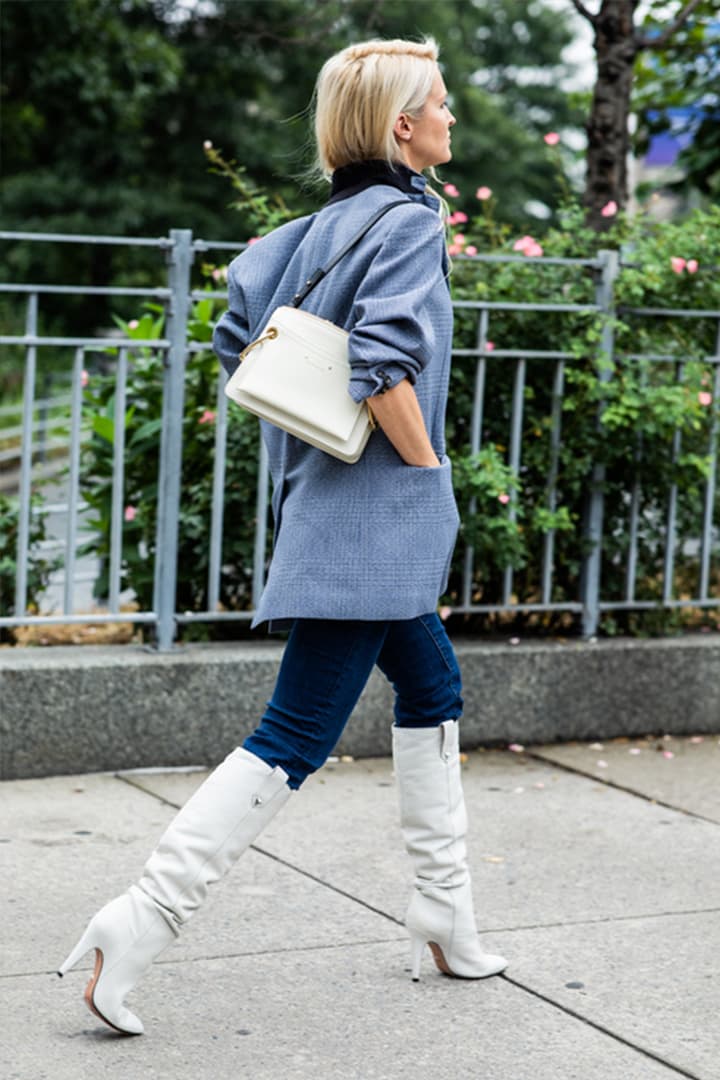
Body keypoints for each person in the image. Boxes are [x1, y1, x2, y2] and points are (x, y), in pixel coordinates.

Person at [57, 36, 507, 1037]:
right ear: (402, 125)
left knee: (433, 687)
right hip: (376, 519)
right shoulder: (407, 222)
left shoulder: (313, 228)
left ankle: (445, 915)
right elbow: (383, 369)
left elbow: (240, 334)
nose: (449, 120)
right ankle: (138, 922)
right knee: (294, 735)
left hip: (328, 505)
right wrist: (429, 476)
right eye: (438, 104)